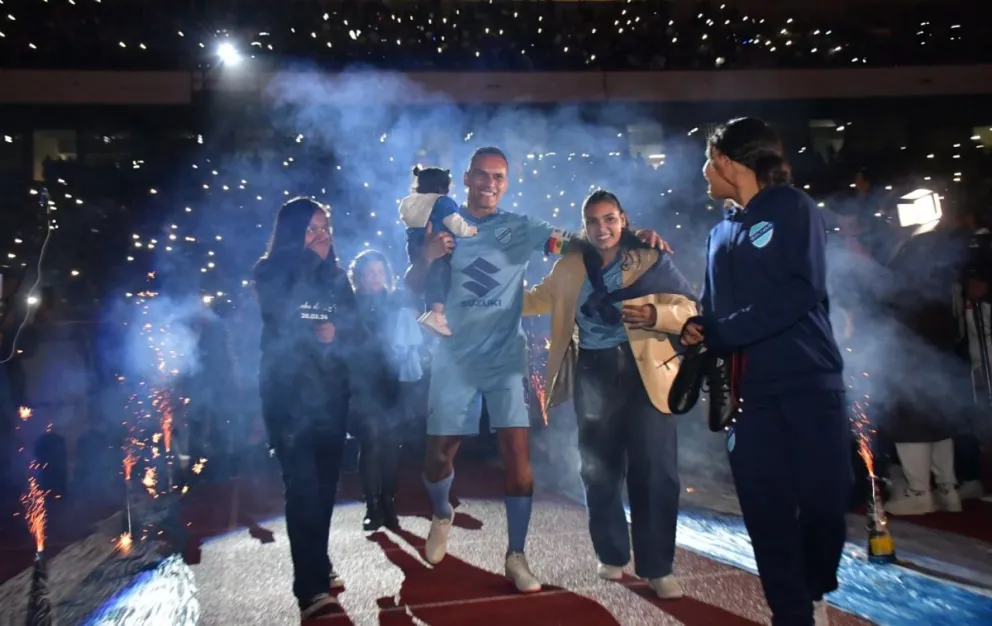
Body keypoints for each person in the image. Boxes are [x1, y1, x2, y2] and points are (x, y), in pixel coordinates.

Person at [404, 146, 668, 594]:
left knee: (517, 455)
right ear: (467, 178)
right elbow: (408, 289)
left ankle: (517, 555)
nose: (490, 183)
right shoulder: (438, 222)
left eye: (499, 177)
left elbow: (580, 242)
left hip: (507, 357)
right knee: (437, 458)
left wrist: (632, 235)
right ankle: (443, 513)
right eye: (483, 175)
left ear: (507, 182)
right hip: (454, 358)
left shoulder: (520, 228)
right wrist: (427, 257)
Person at [680, 118, 852, 626]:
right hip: (749, 396)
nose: (704, 174)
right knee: (766, 515)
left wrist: (723, 331)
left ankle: (815, 585)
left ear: (728, 163)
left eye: (708, 162)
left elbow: (802, 291)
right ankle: (792, 613)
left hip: (809, 382)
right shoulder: (718, 232)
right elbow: (714, 311)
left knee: (824, 506)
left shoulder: (794, 208)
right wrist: (697, 327)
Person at [522, 190, 696, 599]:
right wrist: (491, 296)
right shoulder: (570, 266)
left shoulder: (650, 257)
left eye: (610, 220)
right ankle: (612, 553)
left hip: (644, 371)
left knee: (655, 469)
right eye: (594, 222)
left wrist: (656, 315)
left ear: (624, 219)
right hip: (593, 373)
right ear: (584, 226)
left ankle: (658, 567)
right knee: (598, 469)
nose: (603, 229)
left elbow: (691, 308)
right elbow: (534, 302)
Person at [253, 197, 359, 619]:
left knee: (326, 488)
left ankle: (319, 559)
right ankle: (310, 587)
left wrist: (340, 332)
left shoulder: (337, 276)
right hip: (288, 396)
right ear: (291, 233)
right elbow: (279, 319)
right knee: (303, 488)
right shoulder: (270, 272)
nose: (322, 237)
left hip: (332, 395)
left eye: (326, 229)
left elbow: (357, 326)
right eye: (312, 230)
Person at [347, 249, 423, 531]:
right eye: (369, 273)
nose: (375, 278)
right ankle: (372, 506)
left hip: (393, 382)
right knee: (371, 443)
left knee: (392, 445)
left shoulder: (396, 301)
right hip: (362, 383)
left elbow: (416, 325)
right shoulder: (350, 305)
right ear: (359, 277)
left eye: (380, 272)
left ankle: (389, 502)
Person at [399, 166, 478, 336]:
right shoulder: (442, 203)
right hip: (437, 243)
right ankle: (435, 312)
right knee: (439, 270)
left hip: (414, 245)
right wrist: (469, 231)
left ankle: (435, 312)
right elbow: (455, 223)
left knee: (436, 274)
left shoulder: (410, 204)